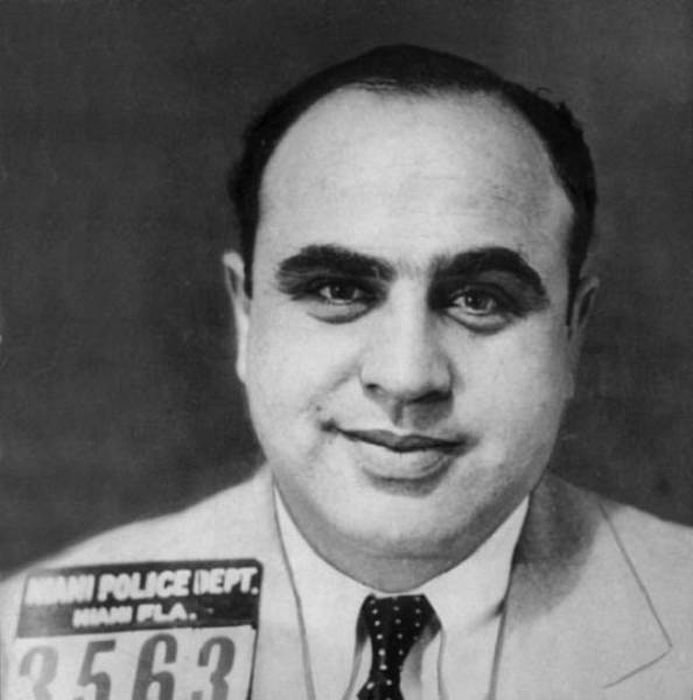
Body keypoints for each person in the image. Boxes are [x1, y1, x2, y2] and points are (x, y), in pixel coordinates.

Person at [2, 44, 693, 699]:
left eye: (479, 300)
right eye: (338, 290)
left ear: (572, 333)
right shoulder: (23, 645)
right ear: (245, 316)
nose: (406, 376)